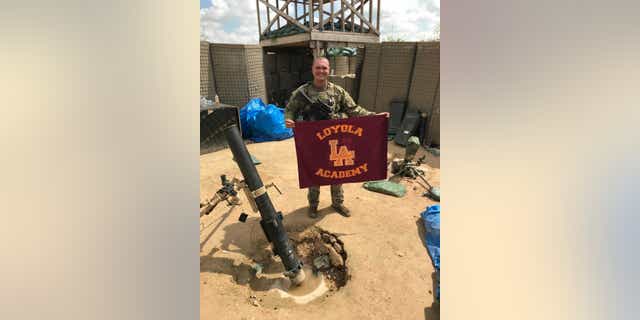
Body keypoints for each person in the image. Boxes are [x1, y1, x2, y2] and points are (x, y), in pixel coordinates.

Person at [285, 56, 389, 219]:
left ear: (329, 70)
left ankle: (337, 203)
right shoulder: (302, 92)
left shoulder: (338, 91)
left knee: (336, 172)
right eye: (318, 67)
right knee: (314, 173)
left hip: (335, 139)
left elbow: (354, 110)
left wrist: (375, 117)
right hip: (313, 141)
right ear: (313, 69)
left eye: (324, 68)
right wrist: (289, 119)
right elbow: (290, 109)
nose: (321, 71)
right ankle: (313, 205)